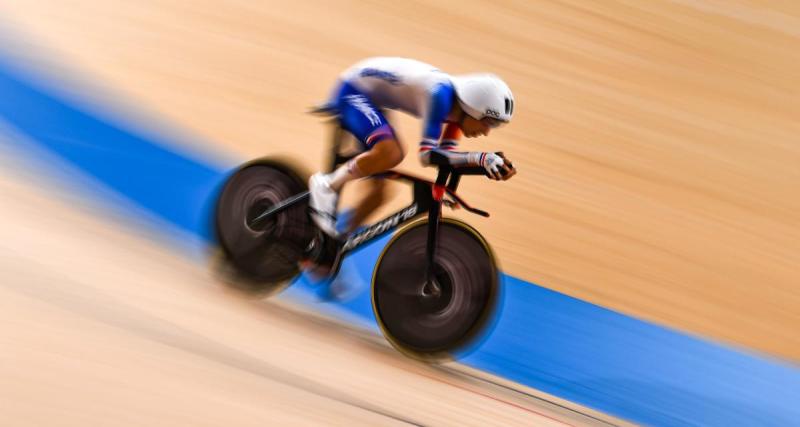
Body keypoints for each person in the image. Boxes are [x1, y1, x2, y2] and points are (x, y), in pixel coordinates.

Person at [309, 57, 516, 237]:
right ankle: (326, 185)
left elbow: (447, 159)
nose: (488, 131)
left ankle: (335, 246)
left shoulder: (457, 115)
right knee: (391, 152)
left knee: (378, 195)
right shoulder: (440, 94)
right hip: (354, 91)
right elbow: (427, 156)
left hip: (372, 99)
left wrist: (489, 168)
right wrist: (481, 159)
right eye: (489, 122)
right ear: (475, 106)